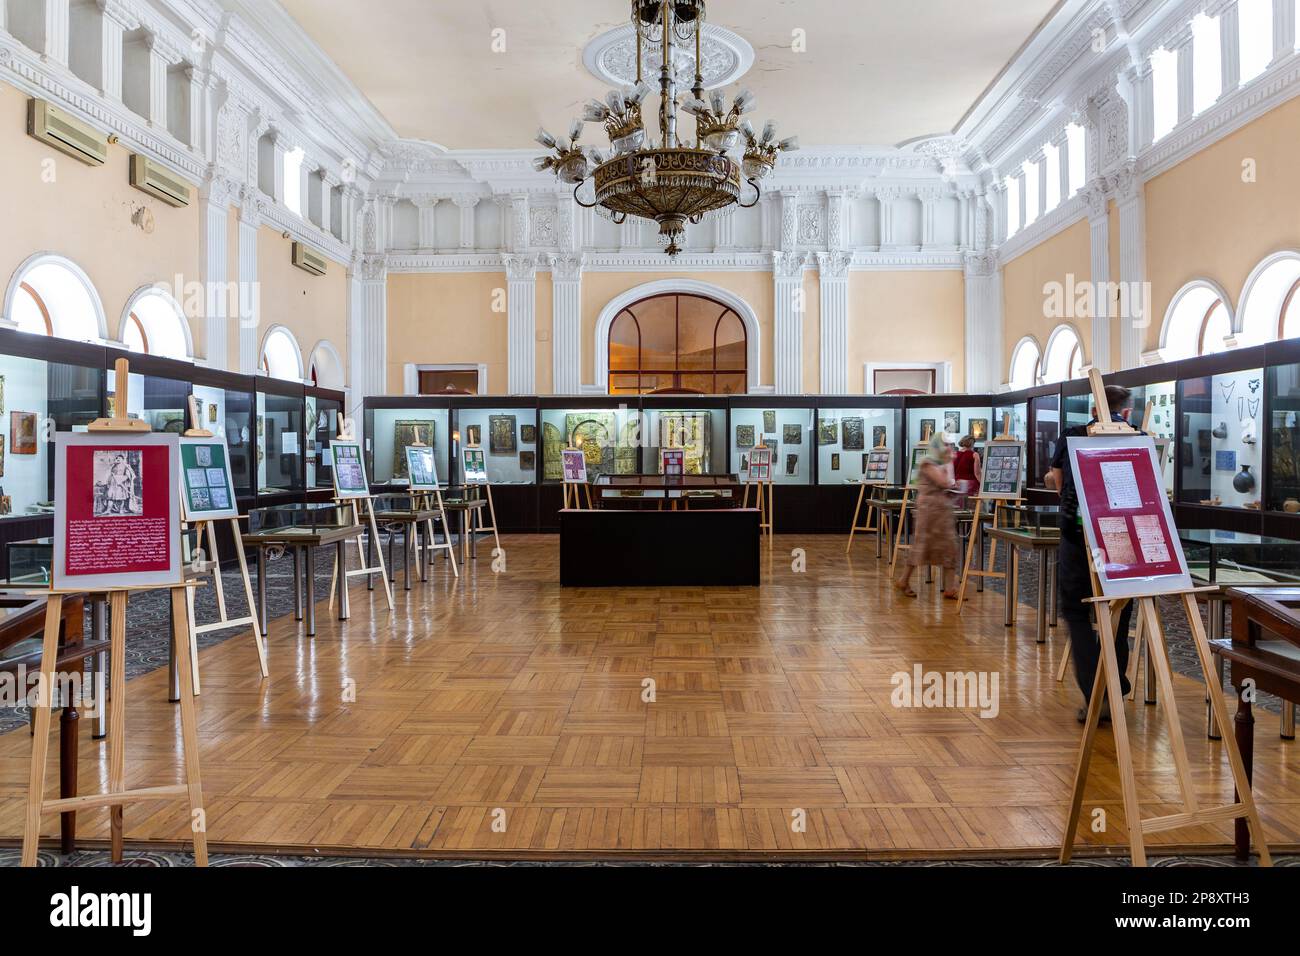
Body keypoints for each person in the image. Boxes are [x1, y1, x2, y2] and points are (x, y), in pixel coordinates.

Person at [1047, 385, 1139, 723]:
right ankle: (1115, 684)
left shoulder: (1073, 434)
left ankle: (1096, 692)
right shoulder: (1137, 436)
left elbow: (1058, 481)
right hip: (1120, 539)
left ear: (1092, 408)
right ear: (1125, 411)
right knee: (1118, 613)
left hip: (1078, 535)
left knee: (1076, 612)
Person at [895, 434, 960, 599]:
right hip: (930, 512)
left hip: (941, 511)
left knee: (949, 546)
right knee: (922, 546)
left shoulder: (938, 463)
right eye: (946, 445)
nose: (949, 449)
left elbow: (947, 484)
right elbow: (943, 482)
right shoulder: (928, 462)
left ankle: (950, 587)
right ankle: (903, 580)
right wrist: (948, 466)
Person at [952, 435, 982, 501]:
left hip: (958, 484)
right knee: (972, 508)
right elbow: (977, 473)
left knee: (960, 507)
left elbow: (952, 471)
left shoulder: (954, 454)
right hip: (971, 485)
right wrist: (983, 485)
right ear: (972, 444)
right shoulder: (974, 455)